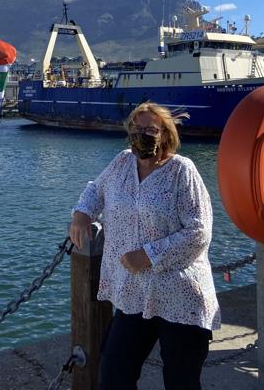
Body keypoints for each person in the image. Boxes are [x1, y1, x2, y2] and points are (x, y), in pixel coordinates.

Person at [69, 102, 220, 390]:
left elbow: (199, 232)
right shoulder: (122, 163)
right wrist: (82, 213)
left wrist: (148, 256)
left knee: (181, 381)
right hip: (134, 294)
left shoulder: (181, 171)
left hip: (180, 296)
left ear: (165, 134)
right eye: (137, 129)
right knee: (114, 373)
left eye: (151, 130)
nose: (143, 135)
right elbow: (96, 189)